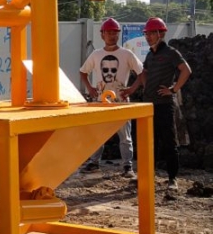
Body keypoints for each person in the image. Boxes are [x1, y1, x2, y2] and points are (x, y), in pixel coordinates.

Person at [121, 17, 191, 193]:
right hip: (148, 105)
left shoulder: (171, 52)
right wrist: (132, 89)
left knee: (169, 143)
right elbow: (143, 72)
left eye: (153, 33)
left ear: (161, 33)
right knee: (149, 144)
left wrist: (173, 89)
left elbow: (186, 70)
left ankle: (172, 179)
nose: (149, 36)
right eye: (147, 33)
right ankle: (146, 176)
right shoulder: (151, 54)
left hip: (164, 105)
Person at [79, 17, 143, 178]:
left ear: (118, 34)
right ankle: (94, 163)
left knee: (125, 137)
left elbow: (141, 73)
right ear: (102, 35)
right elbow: (83, 72)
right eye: (108, 32)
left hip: (121, 103)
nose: (112, 36)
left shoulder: (127, 54)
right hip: (101, 103)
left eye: (115, 32)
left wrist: (131, 89)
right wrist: (90, 88)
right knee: (98, 134)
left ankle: (127, 166)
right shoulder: (96, 54)